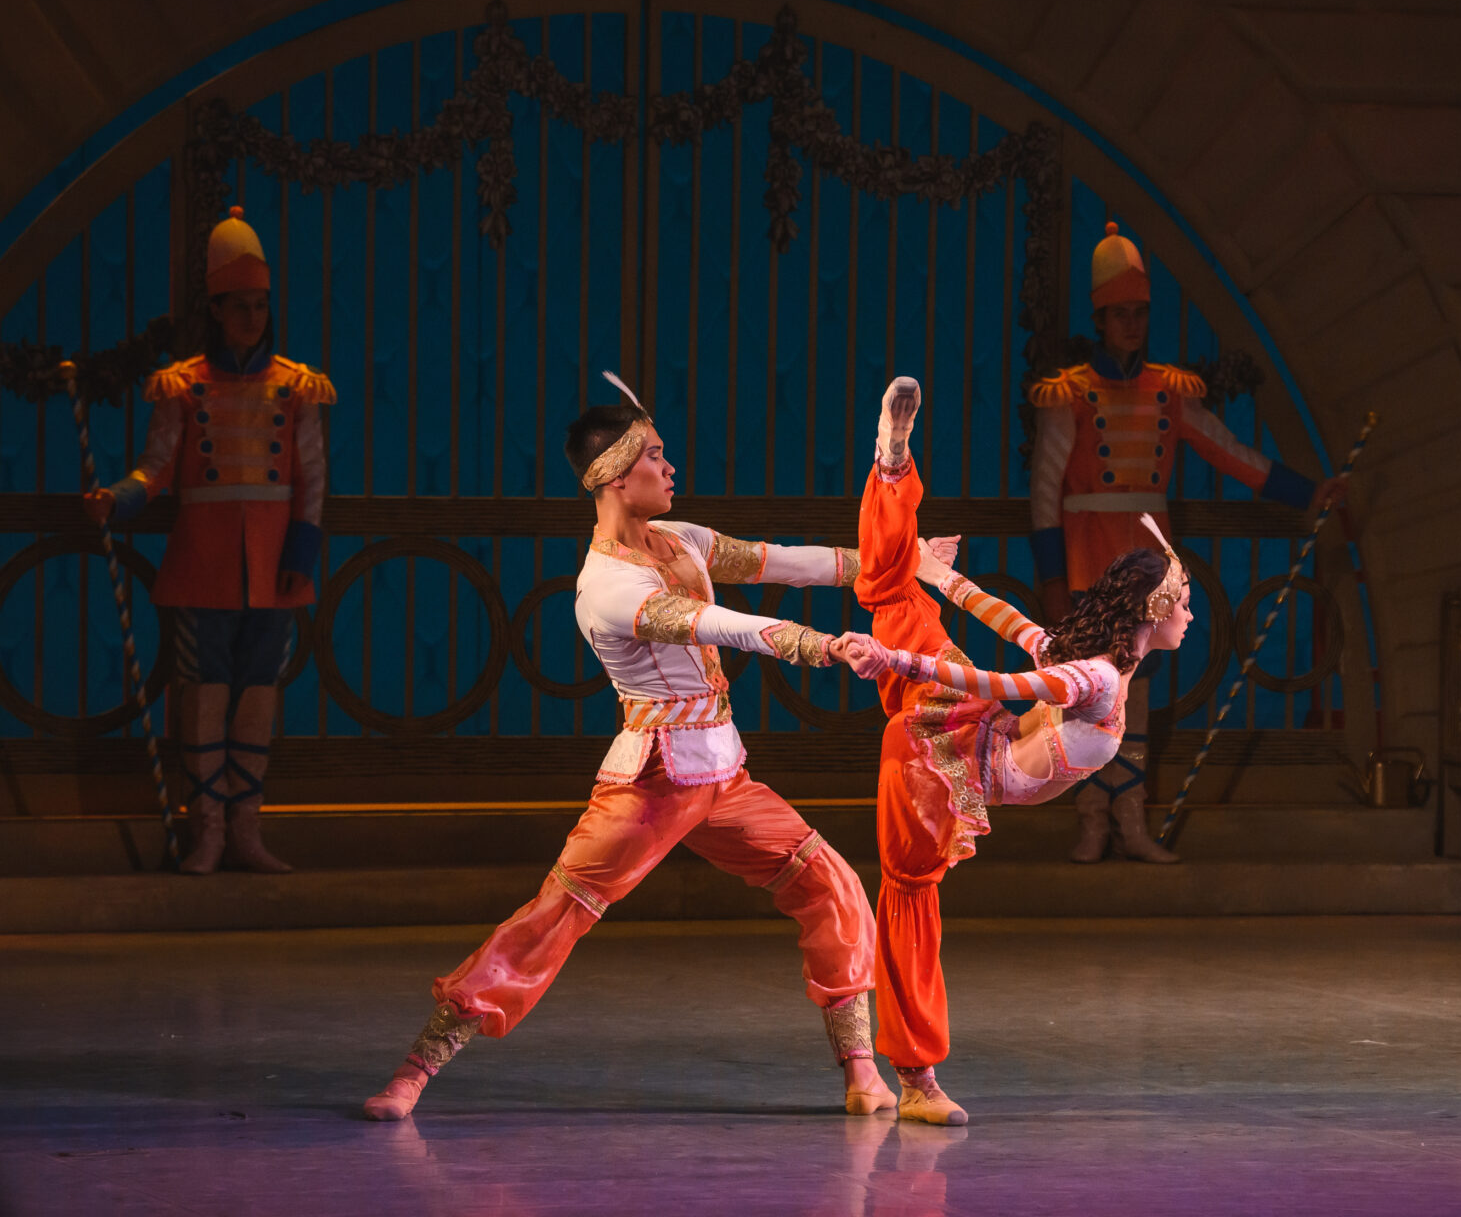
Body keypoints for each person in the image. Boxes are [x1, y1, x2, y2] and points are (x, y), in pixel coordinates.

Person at [362, 379, 892, 1120]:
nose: (670, 468)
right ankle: (415, 1070)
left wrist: (900, 561)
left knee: (831, 884)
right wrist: (820, 645)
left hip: (724, 776)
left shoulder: (683, 540)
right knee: (555, 915)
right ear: (615, 476)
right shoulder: (606, 585)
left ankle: (862, 1072)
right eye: (655, 456)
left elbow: (791, 562)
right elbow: (716, 625)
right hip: (651, 783)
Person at [842, 376, 1195, 1125]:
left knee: (896, 594)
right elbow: (1003, 681)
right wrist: (899, 661)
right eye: (1184, 603)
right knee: (911, 906)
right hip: (934, 770)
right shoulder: (1097, 679)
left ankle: (891, 473)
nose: (1191, 616)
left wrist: (941, 577)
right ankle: (917, 1080)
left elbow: (1012, 624)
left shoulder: (1096, 660)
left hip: (956, 735)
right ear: (1154, 609)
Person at [1026, 221, 1342, 863]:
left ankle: (1130, 818)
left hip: (1147, 563)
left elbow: (1233, 453)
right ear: (1101, 320)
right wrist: (1053, 578)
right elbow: (1044, 490)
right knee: (1089, 691)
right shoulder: (1072, 394)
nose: (1132, 325)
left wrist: (1309, 493)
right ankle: (1092, 820)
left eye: (1140, 313)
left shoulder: (1168, 390)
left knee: (1136, 696)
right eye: (1121, 314)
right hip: (1088, 559)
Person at [84, 206, 333, 875]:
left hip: (274, 569)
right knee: (202, 697)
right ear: (217, 311)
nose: (252, 317)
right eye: (240, 306)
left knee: (256, 697)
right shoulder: (183, 385)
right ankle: (210, 833)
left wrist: (300, 554)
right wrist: (117, 498)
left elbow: (312, 479)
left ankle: (246, 831)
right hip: (203, 565)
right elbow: (156, 468)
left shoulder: (296, 387)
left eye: (260, 306)